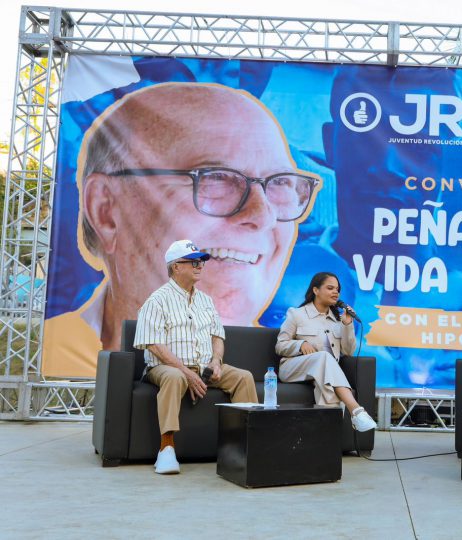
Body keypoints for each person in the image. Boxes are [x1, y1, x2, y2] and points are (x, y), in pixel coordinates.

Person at [42, 82, 321, 377]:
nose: (263, 216)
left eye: (280, 183)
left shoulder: (281, 364)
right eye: (217, 177)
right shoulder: (61, 346)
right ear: (106, 211)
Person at [134, 239, 259, 475]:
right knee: (174, 378)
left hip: (204, 366)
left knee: (244, 377)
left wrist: (216, 361)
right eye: (193, 261)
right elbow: (153, 345)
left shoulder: (206, 301)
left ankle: (246, 446)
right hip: (164, 367)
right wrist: (186, 371)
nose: (200, 265)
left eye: (201, 261)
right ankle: (166, 449)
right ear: (176, 267)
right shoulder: (157, 300)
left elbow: (217, 337)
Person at [275, 271, 376, 432]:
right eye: (330, 288)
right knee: (323, 357)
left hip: (324, 374)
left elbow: (348, 351)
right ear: (315, 290)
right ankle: (356, 410)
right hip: (293, 368)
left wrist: (347, 324)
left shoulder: (337, 321)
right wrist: (300, 344)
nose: (335, 292)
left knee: (327, 386)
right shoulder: (297, 314)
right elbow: (280, 345)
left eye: (337, 289)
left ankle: (326, 440)